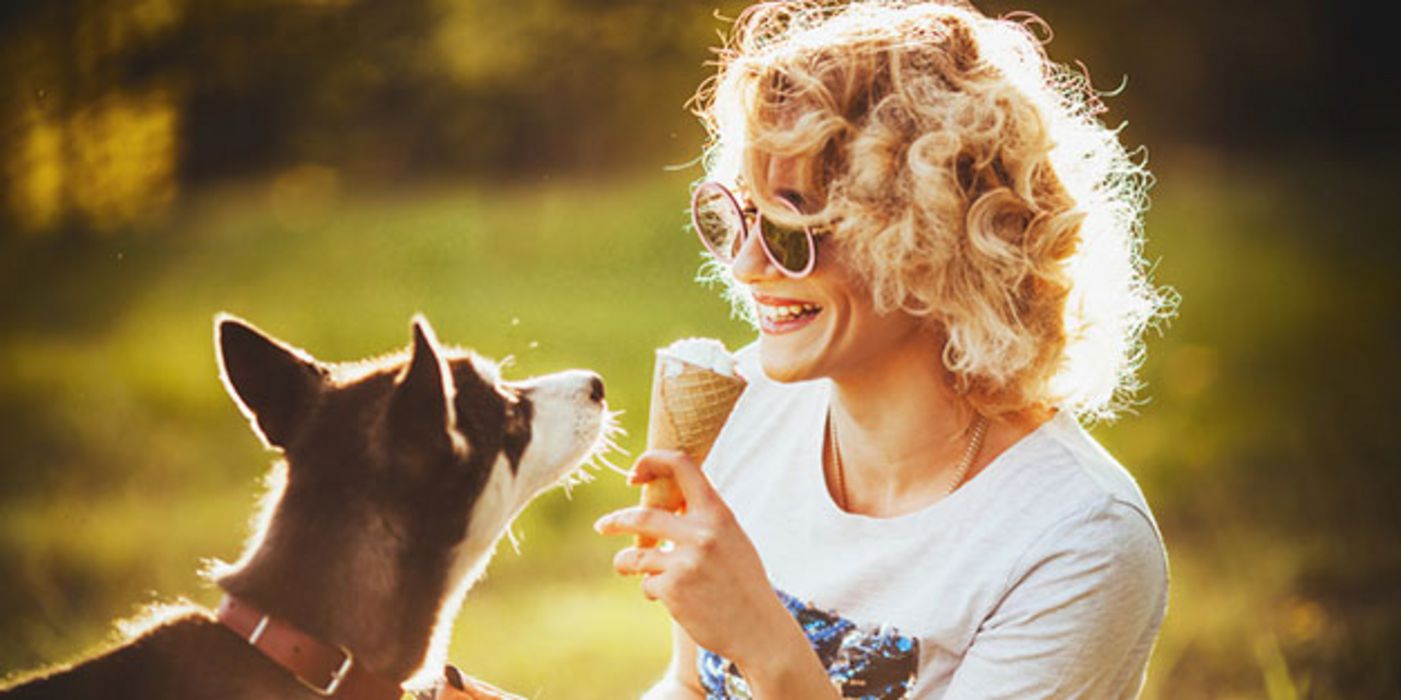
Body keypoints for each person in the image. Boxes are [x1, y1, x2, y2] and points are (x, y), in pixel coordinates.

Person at [593, 1, 1173, 698]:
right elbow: (690, 687)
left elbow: (751, 660)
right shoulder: (746, 406)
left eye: (791, 226)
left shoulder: (1076, 541)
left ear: (929, 238)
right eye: (740, 215)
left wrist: (764, 645)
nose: (746, 264)